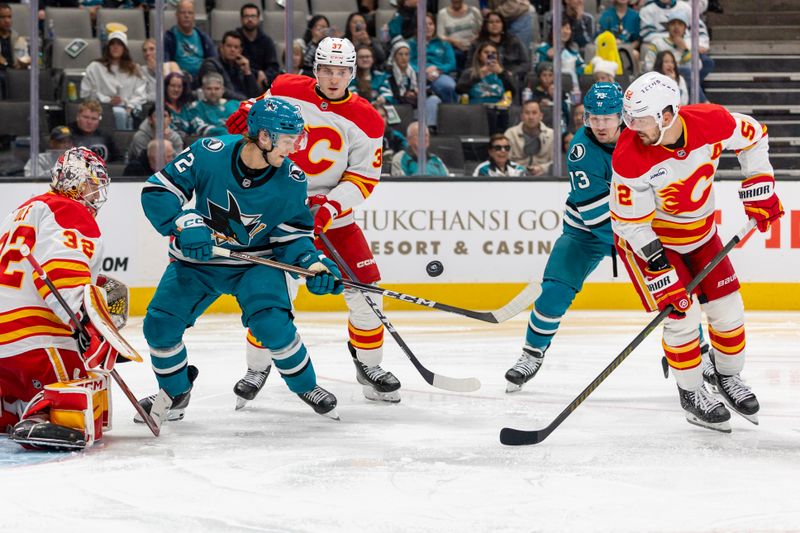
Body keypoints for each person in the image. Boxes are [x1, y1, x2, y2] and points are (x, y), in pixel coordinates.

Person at [136, 98, 344, 422]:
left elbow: (292, 237)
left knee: (272, 325)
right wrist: (184, 223)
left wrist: (313, 263)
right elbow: (158, 192)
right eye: (287, 141)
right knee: (159, 325)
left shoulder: (292, 178)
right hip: (198, 261)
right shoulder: (209, 152)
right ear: (263, 137)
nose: (292, 150)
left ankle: (305, 385)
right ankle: (175, 394)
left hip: (254, 265)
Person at [225, 37, 403, 404]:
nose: (334, 78)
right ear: (315, 70)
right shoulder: (287, 88)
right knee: (270, 296)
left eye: (341, 72)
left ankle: (369, 364)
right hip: (280, 214)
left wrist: (330, 207)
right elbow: (256, 117)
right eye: (326, 70)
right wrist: (249, 112)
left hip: (333, 218)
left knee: (366, 289)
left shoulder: (368, 118)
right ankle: (257, 367)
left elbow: (363, 178)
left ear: (352, 73)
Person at [609, 72, 783, 431]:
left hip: (702, 235)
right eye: (628, 117)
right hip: (654, 244)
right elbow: (630, 224)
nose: (630, 126)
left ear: (667, 115)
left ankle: (726, 376)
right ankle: (690, 393)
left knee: (728, 310)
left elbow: (754, 136)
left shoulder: (712, 121)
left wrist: (760, 185)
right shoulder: (629, 154)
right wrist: (660, 271)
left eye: (639, 118)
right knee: (682, 317)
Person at [504, 82, 624, 392]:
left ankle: (698, 357)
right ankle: (531, 354)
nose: (600, 124)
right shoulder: (581, 148)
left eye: (607, 117)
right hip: (586, 231)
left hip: (638, 229)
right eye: (593, 117)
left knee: (673, 290)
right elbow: (597, 217)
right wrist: (638, 244)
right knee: (554, 290)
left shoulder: (643, 136)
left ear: (621, 115)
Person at [0, 147, 120, 451]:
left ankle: (10, 409)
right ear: (76, 181)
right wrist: (88, 323)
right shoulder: (69, 210)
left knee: (14, 389)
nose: (96, 195)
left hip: (6, 339)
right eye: (93, 184)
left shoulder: (22, 210)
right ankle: (42, 416)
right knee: (85, 382)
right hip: (31, 340)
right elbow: (61, 269)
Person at [81, 31, 147, 130]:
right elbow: (87, 92)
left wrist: (128, 104)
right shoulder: (95, 67)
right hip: (100, 108)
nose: (115, 47)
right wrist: (107, 100)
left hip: (128, 109)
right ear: (108, 47)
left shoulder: (134, 69)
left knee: (122, 114)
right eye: (112, 44)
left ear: (124, 48)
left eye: (119, 44)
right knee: (119, 113)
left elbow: (140, 94)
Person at [643, 11, 713, 103]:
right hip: (659, 78)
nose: (676, 27)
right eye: (673, 24)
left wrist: (684, 49)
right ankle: (704, 102)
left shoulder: (688, 44)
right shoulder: (657, 43)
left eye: (680, 24)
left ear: (685, 28)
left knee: (689, 73)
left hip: (682, 80)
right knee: (686, 72)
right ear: (668, 27)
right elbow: (648, 65)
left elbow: (698, 67)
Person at [456, 41, 516, 135]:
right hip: (476, 110)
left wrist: (501, 73)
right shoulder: (470, 73)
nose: (490, 55)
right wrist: (480, 74)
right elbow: (459, 89)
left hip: (500, 110)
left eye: (493, 53)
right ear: (479, 56)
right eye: (486, 52)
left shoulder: (503, 74)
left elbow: (513, 92)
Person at [385, 40, 441, 133]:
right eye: (400, 54)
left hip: (415, 106)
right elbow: (392, 94)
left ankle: (429, 129)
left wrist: (418, 92)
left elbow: (429, 90)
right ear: (394, 57)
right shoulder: (388, 75)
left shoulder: (414, 74)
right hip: (399, 107)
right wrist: (406, 95)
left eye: (406, 54)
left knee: (434, 99)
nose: (404, 58)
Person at [409, 12, 458, 105]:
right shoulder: (411, 43)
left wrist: (438, 70)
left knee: (449, 86)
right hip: (417, 76)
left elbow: (452, 63)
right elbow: (409, 62)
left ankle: (451, 114)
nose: (428, 27)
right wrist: (424, 71)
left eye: (430, 24)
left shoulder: (443, 43)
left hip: (439, 75)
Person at [467, 11, 529, 84]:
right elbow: (469, 66)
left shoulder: (514, 41)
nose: (494, 24)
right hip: (486, 79)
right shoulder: (477, 44)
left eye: (498, 22)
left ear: (503, 25)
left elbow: (525, 64)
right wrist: (482, 71)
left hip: (511, 78)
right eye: (491, 22)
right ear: (486, 25)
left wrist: (512, 73)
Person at [198, 31, 260, 102]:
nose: (232, 50)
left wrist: (247, 72)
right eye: (229, 46)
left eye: (236, 47)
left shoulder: (241, 66)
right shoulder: (210, 64)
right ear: (222, 47)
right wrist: (246, 101)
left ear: (240, 51)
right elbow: (219, 91)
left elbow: (255, 95)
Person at [164, 0, 217, 81]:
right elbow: (166, 65)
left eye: (190, 13)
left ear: (194, 16)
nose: (186, 16)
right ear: (176, 15)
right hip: (179, 81)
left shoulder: (203, 37)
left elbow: (214, 61)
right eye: (183, 12)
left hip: (202, 80)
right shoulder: (169, 38)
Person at [164, 71, 226, 138]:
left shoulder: (187, 108)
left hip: (187, 143)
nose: (176, 89)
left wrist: (221, 131)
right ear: (166, 87)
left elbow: (198, 126)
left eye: (179, 87)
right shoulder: (160, 107)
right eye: (172, 86)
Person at [504, 99, 554, 176]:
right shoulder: (510, 134)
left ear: (541, 116)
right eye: (527, 113)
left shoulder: (552, 134)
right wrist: (521, 170)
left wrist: (542, 168)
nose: (531, 117)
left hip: (545, 178)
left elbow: (557, 162)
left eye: (534, 113)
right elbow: (505, 160)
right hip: (516, 177)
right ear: (522, 116)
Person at [237, 3, 280, 90]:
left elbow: (274, 66)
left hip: (264, 83)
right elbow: (235, 64)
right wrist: (257, 73)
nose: (249, 19)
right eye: (246, 16)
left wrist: (264, 75)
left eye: (253, 16)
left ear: (258, 19)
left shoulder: (266, 41)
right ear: (241, 19)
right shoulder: (235, 39)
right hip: (240, 82)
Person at [436, 0, 482, 71]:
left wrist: (476, 38)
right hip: (454, 48)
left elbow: (483, 30)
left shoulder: (474, 11)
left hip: (474, 47)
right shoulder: (442, 13)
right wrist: (453, 41)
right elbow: (440, 35)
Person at [0, 2, 30, 98]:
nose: (7, 21)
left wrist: (25, 62)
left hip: (13, 74)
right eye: (3, 17)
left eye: (9, 17)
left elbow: (23, 58)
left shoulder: (17, 38)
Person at [139, 38, 181, 103]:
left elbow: (176, 90)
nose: (147, 53)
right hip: (152, 106)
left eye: (152, 49)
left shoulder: (171, 65)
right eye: (145, 51)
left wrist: (156, 70)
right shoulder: (141, 70)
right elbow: (142, 96)